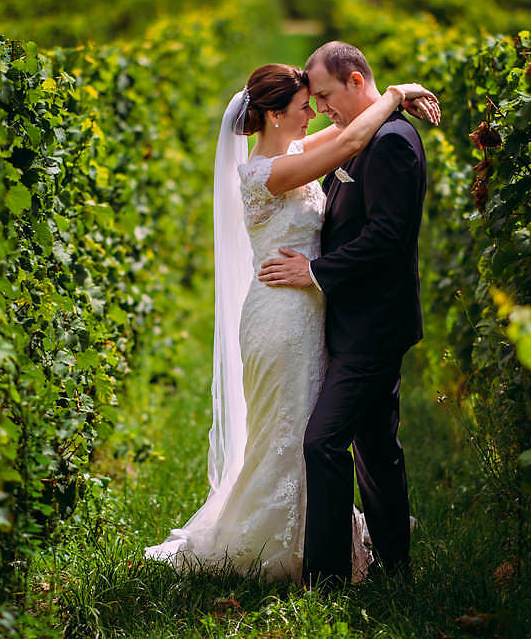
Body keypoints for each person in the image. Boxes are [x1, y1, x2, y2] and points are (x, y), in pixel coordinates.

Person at [144, 58, 438, 583]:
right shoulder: (267, 173)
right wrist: (395, 94)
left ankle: (313, 542)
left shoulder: (295, 150)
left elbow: (350, 127)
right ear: (275, 116)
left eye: (318, 102)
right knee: (289, 432)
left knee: (309, 428)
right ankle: (271, 546)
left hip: (311, 310)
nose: (317, 114)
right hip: (280, 315)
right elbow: (348, 143)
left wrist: (382, 102)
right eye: (307, 107)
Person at [257, 42, 427, 588]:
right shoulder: (360, 138)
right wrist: (399, 93)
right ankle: (395, 569)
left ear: (355, 82)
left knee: (323, 441)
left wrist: (317, 272)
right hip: (353, 319)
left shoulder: (392, 142)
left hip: (374, 324)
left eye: (326, 94)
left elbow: (388, 235)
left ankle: (326, 580)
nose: (322, 107)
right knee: (376, 446)